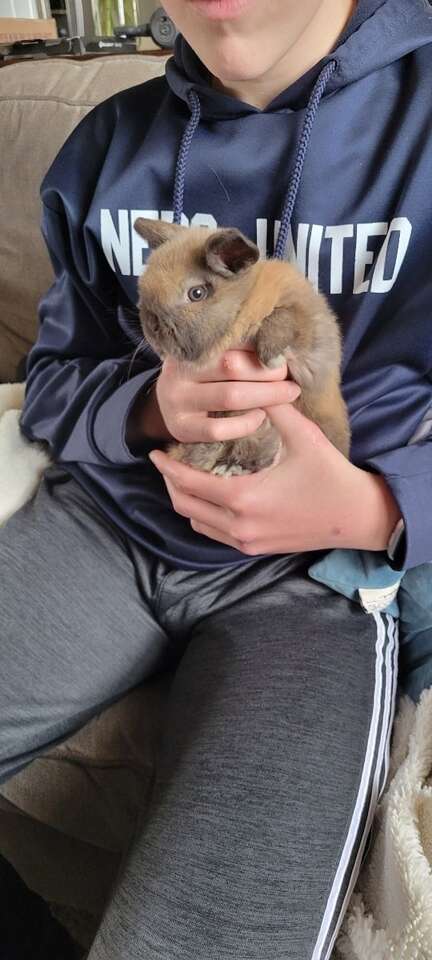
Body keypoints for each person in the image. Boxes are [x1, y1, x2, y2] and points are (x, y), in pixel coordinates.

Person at [2, 0, 432, 957]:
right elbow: (53, 380)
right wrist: (149, 407)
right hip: (106, 532)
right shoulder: (104, 149)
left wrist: (377, 505)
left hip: (311, 589)